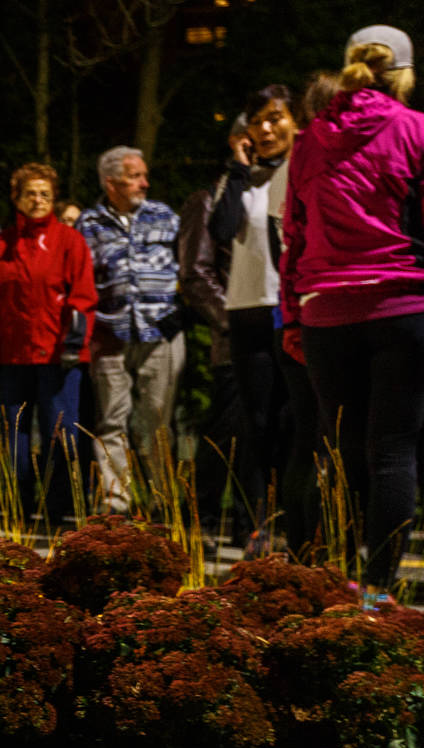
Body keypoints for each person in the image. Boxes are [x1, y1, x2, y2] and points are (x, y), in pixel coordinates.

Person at [280, 25, 424, 606]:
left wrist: (292, 317)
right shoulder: (416, 130)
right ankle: (379, 593)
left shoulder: (310, 140)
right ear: (405, 74)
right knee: (392, 449)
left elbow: (294, 234)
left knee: (336, 449)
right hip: (402, 303)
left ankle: (334, 587)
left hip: (326, 314)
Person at [208, 86, 300, 548]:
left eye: (275, 118)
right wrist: (239, 167)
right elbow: (221, 228)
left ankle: (298, 520)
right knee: (256, 420)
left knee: (295, 419)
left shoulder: (304, 169)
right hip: (248, 311)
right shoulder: (240, 178)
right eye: (256, 121)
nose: (265, 129)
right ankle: (255, 524)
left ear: (295, 121)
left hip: (294, 308)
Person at [0, 165, 97, 521]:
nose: (38, 200)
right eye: (30, 193)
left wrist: (75, 343)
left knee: (59, 433)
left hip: (58, 355)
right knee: (14, 434)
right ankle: (17, 504)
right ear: (16, 197)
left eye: (45, 194)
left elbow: (83, 295)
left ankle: (57, 509)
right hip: (14, 355)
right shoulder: (1, 245)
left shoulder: (69, 241)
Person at [76, 146, 183, 514]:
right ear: (111, 182)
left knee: (158, 419)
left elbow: (188, 265)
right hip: (110, 334)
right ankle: (114, 502)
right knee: (111, 420)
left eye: (143, 174)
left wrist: (178, 312)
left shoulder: (165, 216)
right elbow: (80, 278)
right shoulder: (88, 224)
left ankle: (164, 502)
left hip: (160, 333)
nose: (144, 183)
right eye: (135, 176)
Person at [177, 113, 249, 544]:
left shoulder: (272, 192)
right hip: (235, 337)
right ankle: (199, 515)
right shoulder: (206, 200)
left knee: (263, 430)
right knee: (226, 429)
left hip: (277, 334)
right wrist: (232, 320)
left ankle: (249, 522)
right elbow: (195, 273)